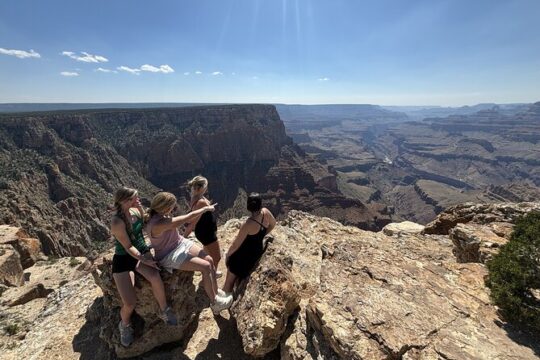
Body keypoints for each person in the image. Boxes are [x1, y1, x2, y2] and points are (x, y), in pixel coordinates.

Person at [110, 187, 177, 348]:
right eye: (135, 198)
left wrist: (146, 255)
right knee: (130, 302)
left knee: (155, 277)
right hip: (123, 259)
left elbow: (144, 226)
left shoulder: (135, 211)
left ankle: (164, 309)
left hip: (141, 252)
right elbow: (127, 246)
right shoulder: (117, 222)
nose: (138, 199)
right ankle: (124, 324)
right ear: (124, 201)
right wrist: (144, 260)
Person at [146, 192, 233, 314]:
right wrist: (205, 209)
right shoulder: (159, 224)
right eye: (172, 206)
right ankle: (215, 303)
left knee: (210, 260)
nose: (174, 209)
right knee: (206, 266)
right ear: (165, 207)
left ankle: (215, 290)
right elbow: (187, 218)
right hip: (169, 255)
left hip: (180, 243)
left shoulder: (161, 215)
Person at [223, 193, 276, 295]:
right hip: (256, 253)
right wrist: (261, 235)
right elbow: (273, 224)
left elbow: (235, 245)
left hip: (242, 257)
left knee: (228, 283)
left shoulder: (248, 224)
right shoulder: (266, 213)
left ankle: (223, 302)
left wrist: (227, 255)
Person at [183, 176, 222, 278]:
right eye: (206, 186)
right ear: (200, 188)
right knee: (217, 257)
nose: (207, 188)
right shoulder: (200, 202)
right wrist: (184, 237)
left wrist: (210, 207)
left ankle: (209, 272)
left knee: (207, 254)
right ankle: (211, 276)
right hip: (207, 233)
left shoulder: (196, 197)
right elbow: (193, 222)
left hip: (205, 231)